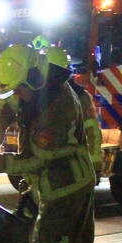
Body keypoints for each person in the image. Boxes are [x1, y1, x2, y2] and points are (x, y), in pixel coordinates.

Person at [0, 44, 97, 243]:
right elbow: (5, 104)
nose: (17, 96)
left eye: (19, 90)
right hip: (49, 184)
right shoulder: (33, 87)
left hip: (67, 187)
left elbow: (40, 160)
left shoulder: (57, 108)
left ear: (34, 78)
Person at [44, 47, 103, 178]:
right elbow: (92, 131)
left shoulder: (79, 96)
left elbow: (91, 131)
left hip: (69, 165)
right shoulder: (80, 95)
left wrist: (94, 165)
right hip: (60, 164)